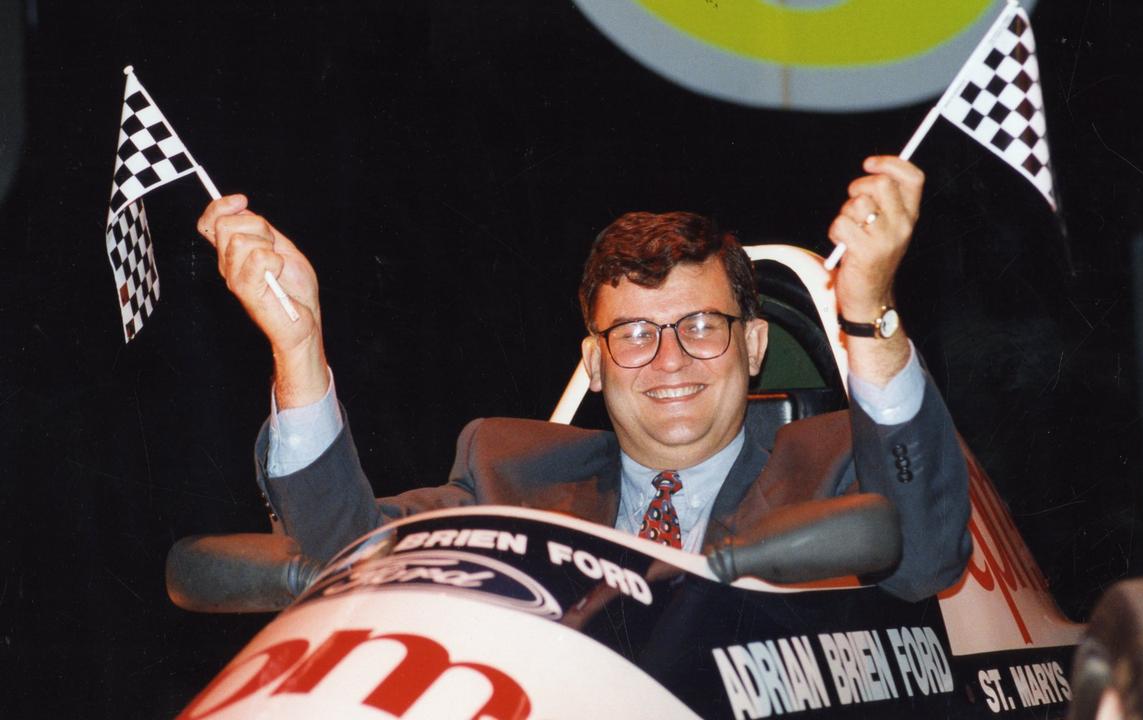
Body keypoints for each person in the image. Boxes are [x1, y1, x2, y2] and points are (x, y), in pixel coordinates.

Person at [197, 156, 971, 602]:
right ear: (594, 364)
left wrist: (867, 311)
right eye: (633, 334)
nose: (670, 361)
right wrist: (299, 347)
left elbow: (926, 557)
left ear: (755, 345)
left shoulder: (842, 464)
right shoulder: (509, 474)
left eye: (702, 326)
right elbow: (348, 563)